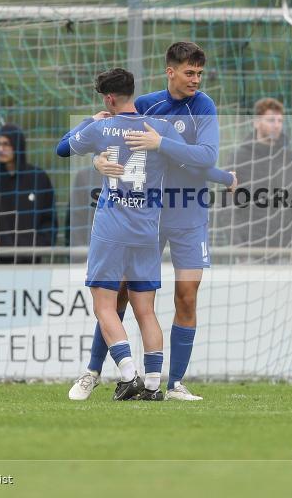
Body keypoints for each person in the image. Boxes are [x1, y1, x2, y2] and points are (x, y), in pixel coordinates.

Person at [88, 42, 234, 401]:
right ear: (170, 71)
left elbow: (206, 157)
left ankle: (175, 384)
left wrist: (162, 144)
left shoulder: (204, 106)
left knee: (187, 295)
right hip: (146, 217)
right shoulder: (146, 105)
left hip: (189, 216)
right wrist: (97, 161)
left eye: (199, 73)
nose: (196, 79)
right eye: (189, 72)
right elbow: (108, 141)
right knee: (120, 292)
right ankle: (93, 372)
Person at [57, 68, 190, 401]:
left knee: (105, 306)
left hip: (112, 230)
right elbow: (189, 159)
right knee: (145, 310)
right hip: (147, 230)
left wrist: (89, 121)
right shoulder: (158, 129)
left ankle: (129, 375)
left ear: (109, 99)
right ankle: (154, 385)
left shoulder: (100, 128)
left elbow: (62, 148)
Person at [226, 97, 292, 260]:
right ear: (256, 123)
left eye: (280, 121)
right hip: (249, 252)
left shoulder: (291, 160)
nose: (276, 125)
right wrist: (238, 247)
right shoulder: (239, 158)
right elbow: (226, 205)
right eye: (271, 120)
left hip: (284, 252)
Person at [0, 124, 57, 264]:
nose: (0, 149)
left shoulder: (38, 177)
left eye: (6, 144)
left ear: (18, 145)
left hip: (30, 260)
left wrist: (39, 244)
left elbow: (49, 218)